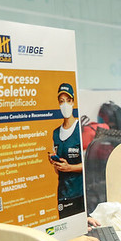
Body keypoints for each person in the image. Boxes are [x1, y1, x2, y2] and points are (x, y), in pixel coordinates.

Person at [48, 82, 85, 218]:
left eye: (68, 101)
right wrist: (55, 163)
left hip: (79, 194)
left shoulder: (80, 129)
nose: (65, 105)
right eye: (61, 101)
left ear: (73, 102)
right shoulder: (55, 133)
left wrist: (69, 167)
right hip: (63, 195)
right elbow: (58, 171)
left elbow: (88, 166)